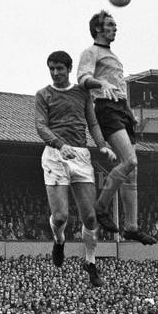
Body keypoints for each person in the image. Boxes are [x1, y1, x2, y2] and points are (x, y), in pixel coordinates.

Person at [35, 50, 117, 286]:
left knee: (90, 217)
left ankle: (90, 263)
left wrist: (102, 145)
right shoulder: (43, 95)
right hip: (55, 156)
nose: (55, 72)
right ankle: (59, 241)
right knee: (61, 217)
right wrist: (60, 145)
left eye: (60, 68)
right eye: (51, 68)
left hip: (80, 156)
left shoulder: (82, 93)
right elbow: (41, 127)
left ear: (69, 69)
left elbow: (92, 121)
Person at [76, 10, 157, 245]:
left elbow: (119, 87)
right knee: (130, 161)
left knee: (133, 172)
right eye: (110, 24)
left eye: (115, 24)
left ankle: (131, 227)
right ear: (98, 29)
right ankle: (100, 207)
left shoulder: (114, 56)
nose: (115, 28)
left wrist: (130, 114)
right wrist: (99, 82)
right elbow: (83, 78)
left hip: (121, 109)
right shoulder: (90, 52)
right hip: (106, 107)